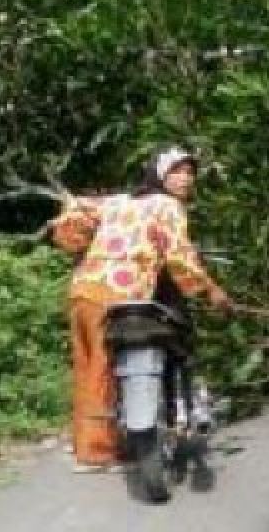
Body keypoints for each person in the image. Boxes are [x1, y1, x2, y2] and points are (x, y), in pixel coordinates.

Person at [58, 145, 231, 472]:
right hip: (118, 296)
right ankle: (98, 453)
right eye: (176, 172)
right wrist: (210, 290)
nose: (185, 179)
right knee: (105, 369)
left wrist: (78, 243)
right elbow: (179, 257)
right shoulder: (167, 206)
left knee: (88, 368)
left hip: (83, 291)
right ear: (159, 174)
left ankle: (91, 446)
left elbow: (73, 207)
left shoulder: (121, 201)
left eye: (190, 172)